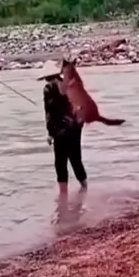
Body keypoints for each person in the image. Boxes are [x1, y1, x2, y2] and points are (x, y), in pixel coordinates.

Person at [38, 60, 87, 194]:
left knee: (60, 162)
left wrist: (50, 133)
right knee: (76, 159)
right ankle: (85, 188)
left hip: (60, 129)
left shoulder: (49, 88)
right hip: (75, 127)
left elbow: (49, 112)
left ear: (47, 76)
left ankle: (63, 195)